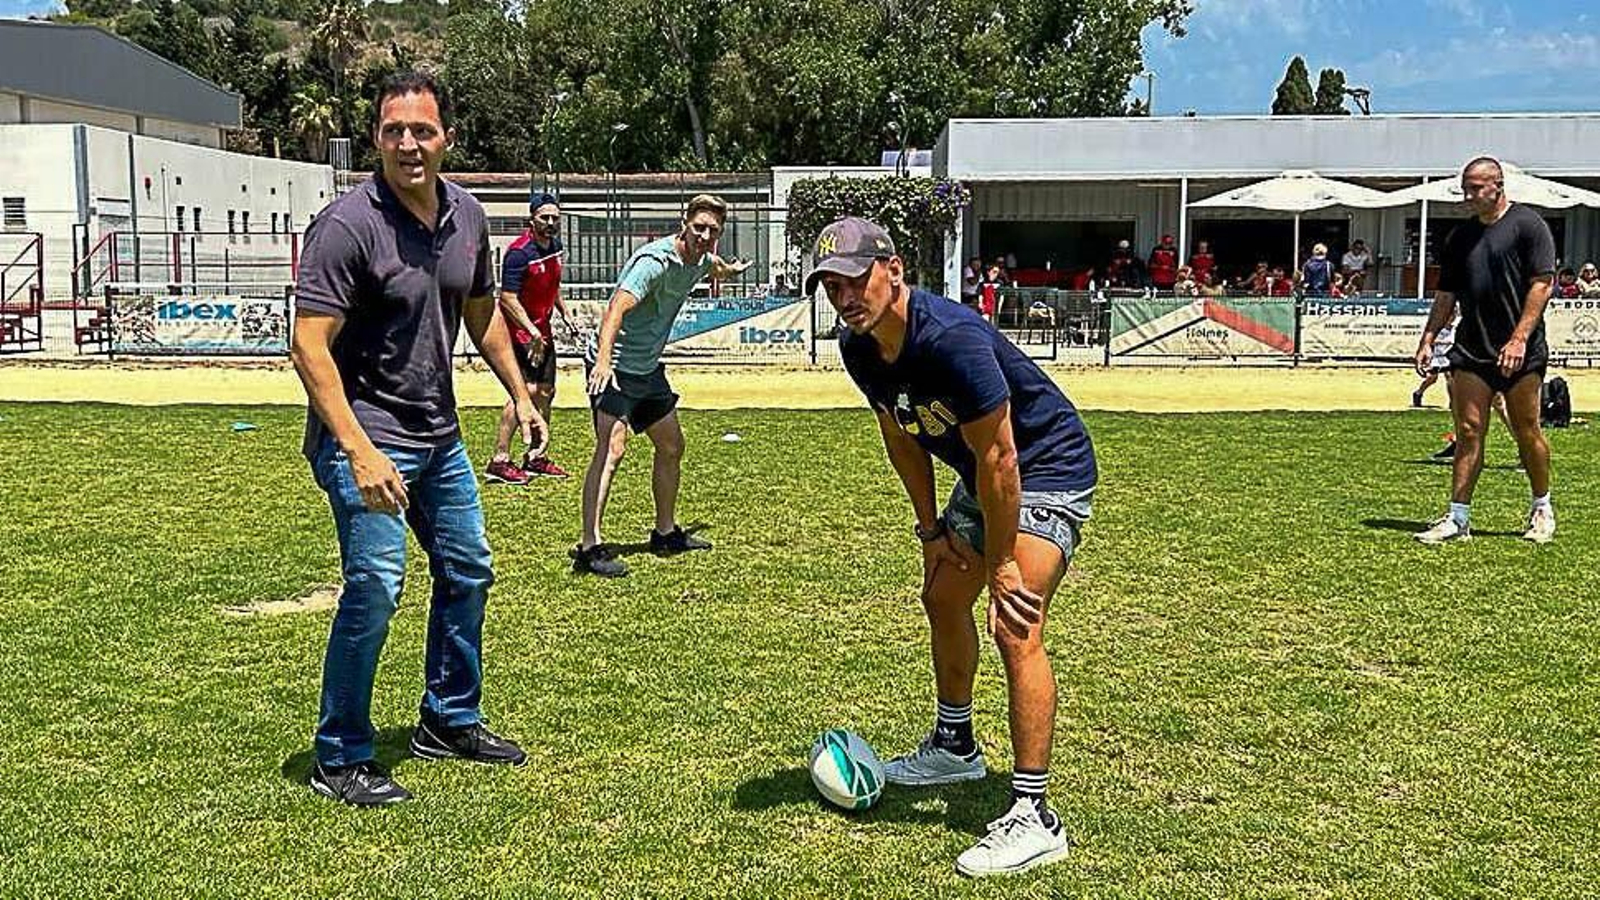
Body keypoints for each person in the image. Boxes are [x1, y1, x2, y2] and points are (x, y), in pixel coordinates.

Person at [809, 216, 1097, 878]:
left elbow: (1002, 458)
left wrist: (1001, 564)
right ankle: (955, 746)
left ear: (895, 270)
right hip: (982, 473)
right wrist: (931, 531)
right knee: (942, 596)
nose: (845, 297)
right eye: (831, 286)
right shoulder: (860, 348)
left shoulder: (952, 339)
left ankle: (1034, 816)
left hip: (1044, 468)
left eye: (855, 279)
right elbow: (901, 437)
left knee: (1014, 621)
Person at [290, 71, 544, 805]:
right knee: (375, 585)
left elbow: (481, 311)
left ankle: (449, 719)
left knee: (468, 569)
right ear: (376, 138)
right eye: (394, 130)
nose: (409, 143)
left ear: (447, 139)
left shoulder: (466, 215)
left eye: (422, 130)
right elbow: (308, 346)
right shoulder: (348, 225)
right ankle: (338, 756)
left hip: (438, 436)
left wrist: (519, 394)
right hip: (364, 434)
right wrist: (357, 451)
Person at [573, 194, 751, 577]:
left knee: (671, 446)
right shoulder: (653, 263)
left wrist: (729, 271)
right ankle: (589, 547)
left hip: (648, 368)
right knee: (612, 449)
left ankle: (665, 533)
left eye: (713, 230)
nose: (704, 235)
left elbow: (712, 266)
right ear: (683, 222)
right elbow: (615, 310)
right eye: (699, 227)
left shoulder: (701, 259)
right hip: (616, 367)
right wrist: (603, 362)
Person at [1412, 156, 1557, 544]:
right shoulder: (1460, 238)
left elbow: (1542, 284)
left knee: (1527, 430)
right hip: (1472, 349)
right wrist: (1428, 338)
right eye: (1466, 189)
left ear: (1498, 185)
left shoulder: (1529, 226)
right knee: (1469, 429)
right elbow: (1446, 295)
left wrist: (1520, 338)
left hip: (1520, 351)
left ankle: (1542, 507)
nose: (1469, 196)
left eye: (1476, 188)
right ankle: (1458, 518)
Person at [485, 191, 573, 484]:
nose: (550, 223)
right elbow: (507, 298)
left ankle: (536, 456)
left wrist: (565, 314)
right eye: (544, 217)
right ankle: (499, 460)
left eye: (554, 218)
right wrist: (532, 331)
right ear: (531, 219)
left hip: (543, 332)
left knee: (546, 390)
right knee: (525, 392)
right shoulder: (519, 253)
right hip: (520, 332)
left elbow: (552, 284)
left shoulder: (556, 246)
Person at [1413, 321, 1454, 407]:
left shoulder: (1454, 329)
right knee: (1432, 378)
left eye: (1454, 314)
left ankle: (1452, 401)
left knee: (1450, 377)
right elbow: (1430, 341)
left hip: (1448, 357)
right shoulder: (1438, 328)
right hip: (1436, 357)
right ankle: (1418, 393)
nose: (1452, 317)